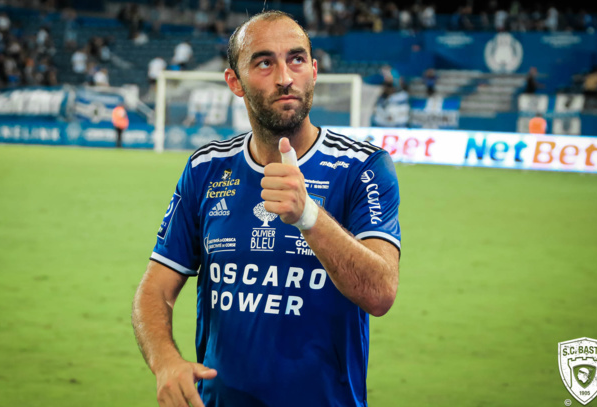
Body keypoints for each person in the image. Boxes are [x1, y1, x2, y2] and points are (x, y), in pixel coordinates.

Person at [132, 11, 401, 407]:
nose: (285, 77)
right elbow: (155, 289)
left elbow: (380, 294)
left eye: (296, 59)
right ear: (234, 82)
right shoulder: (206, 168)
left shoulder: (363, 167)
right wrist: (165, 361)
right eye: (264, 63)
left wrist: (309, 216)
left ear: (313, 70)